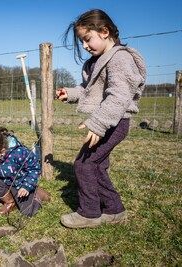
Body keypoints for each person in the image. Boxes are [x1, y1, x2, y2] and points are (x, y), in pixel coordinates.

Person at [56, 9, 146, 228]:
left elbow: (119, 96)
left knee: (84, 164)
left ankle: (89, 212)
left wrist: (97, 125)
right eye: (82, 41)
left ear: (104, 31)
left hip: (114, 122)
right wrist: (70, 93)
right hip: (108, 121)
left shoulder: (120, 58)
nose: (85, 46)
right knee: (95, 165)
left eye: (87, 39)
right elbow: (89, 89)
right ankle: (114, 210)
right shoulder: (99, 61)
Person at [0, 128, 50, 217]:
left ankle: (37, 194)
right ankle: (10, 202)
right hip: (7, 186)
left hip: (22, 187)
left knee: (28, 211)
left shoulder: (18, 153)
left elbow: (34, 168)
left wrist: (27, 185)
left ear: (2, 151)